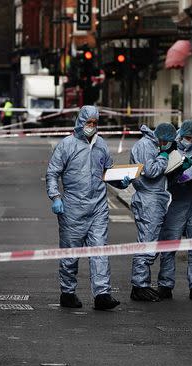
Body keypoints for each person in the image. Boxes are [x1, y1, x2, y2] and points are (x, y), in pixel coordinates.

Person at [45, 105, 125, 310]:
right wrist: (55, 196)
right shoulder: (67, 145)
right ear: (80, 122)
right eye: (89, 122)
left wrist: (121, 182)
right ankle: (68, 292)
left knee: (100, 251)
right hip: (72, 208)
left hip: (98, 206)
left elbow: (107, 172)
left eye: (95, 123)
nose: (92, 126)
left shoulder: (101, 145)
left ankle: (102, 294)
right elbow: (53, 172)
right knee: (70, 254)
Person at [157, 120, 192, 301]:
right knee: (169, 245)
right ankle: (165, 284)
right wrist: (178, 175)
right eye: (186, 136)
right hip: (176, 203)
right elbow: (163, 177)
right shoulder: (171, 152)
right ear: (180, 134)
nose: (188, 140)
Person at [127, 122, 177, 302]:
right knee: (147, 242)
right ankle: (139, 286)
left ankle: (142, 284)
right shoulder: (145, 146)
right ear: (162, 138)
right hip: (148, 200)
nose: (168, 145)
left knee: (150, 241)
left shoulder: (152, 144)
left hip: (154, 199)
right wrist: (164, 156)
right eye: (168, 142)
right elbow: (151, 171)